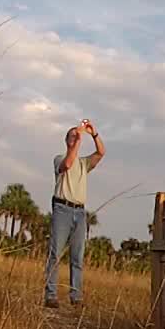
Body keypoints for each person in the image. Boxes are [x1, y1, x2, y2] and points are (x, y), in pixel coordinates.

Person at [43, 119, 105, 308]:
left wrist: (93, 133)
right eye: (72, 136)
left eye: (76, 136)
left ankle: (76, 296)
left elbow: (101, 152)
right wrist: (78, 138)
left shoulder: (84, 163)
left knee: (77, 257)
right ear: (66, 140)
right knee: (55, 254)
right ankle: (51, 295)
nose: (76, 137)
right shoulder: (59, 158)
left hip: (80, 212)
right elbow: (68, 164)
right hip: (62, 209)